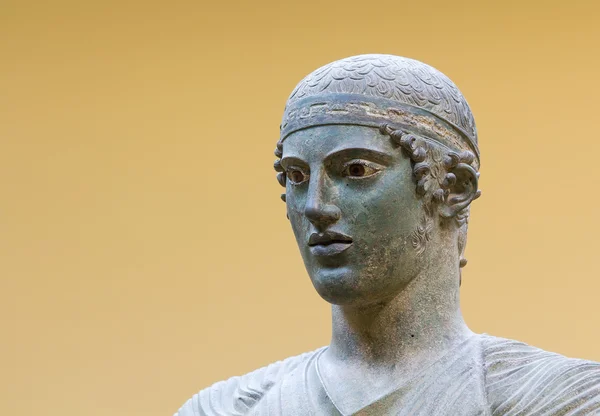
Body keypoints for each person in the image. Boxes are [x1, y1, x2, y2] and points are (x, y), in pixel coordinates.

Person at [175, 54, 600, 415]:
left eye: (356, 170)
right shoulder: (230, 408)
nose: (315, 206)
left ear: (451, 188)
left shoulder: (558, 400)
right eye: (297, 176)